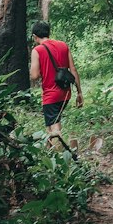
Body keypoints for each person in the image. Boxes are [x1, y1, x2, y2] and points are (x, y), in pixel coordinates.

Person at [29, 20, 83, 148]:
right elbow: (73, 70)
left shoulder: (37, 50)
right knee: (51, 123)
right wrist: (79, 92)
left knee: (55, 127)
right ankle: (52, 151)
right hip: (66, 93)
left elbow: (34, 76)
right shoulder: (63, 45)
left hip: (50, 95)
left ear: (34, 37)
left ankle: (62, 156)